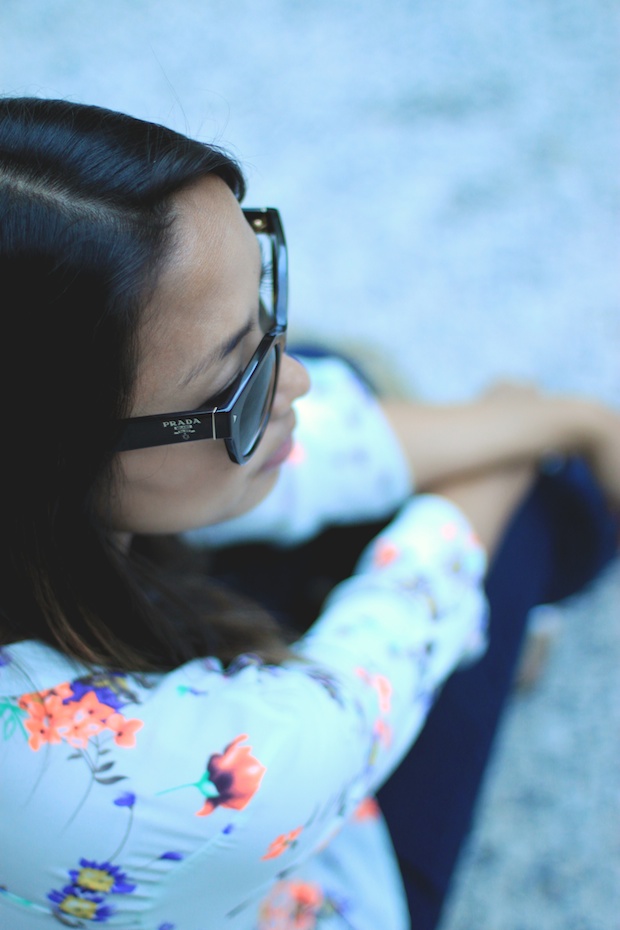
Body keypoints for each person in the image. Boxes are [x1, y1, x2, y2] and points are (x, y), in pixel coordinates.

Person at [0, 96, 617, 930]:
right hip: (293, 862)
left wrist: (561, 417)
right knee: (540, 503)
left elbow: (311, 443)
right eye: (235, 377)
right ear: (53, 463)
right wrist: (545, 432)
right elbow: (396, 630)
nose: (289, 377)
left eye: (265, 291)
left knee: (318, 396)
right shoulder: (136, 785)